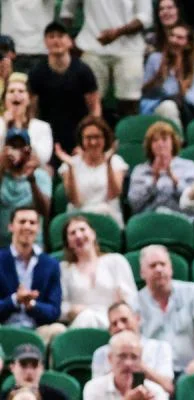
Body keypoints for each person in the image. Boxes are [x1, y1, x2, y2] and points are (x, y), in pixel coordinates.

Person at [60, 0, 153, 117]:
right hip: (92, 48)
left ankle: (126, 134)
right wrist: (66, 38)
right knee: (90, 102)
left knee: (130, 101)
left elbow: (145, 17)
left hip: (129, 50)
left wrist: (118, 32)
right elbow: (67, 10)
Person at [136, 245, 194, 375]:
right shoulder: (135, 302)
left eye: (163, 264)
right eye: (152, 266)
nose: (159, 269)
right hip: (153, 371)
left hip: (191, 366)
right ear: (142, 273)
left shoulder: (193, 291)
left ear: (171, 268)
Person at [29, 21, 101, 159]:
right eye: (51, 36)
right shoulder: (37, 73)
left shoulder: (83, 71)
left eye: (60, 36)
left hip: (78, 135)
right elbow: (33, 111)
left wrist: (89, 137)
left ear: (69, 41)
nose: (56, 40)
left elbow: (94, 107)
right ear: (45, 42)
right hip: (48, 134)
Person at [0, 206, 65, 344]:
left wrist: (32, 304)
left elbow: (54, 311)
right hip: (3, 329)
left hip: (38, 331)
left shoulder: (50, 264)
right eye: (22, 222)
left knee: (58, 330)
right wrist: (15, 300)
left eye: (32, 222)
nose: (27, 226)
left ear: (39, 229)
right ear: (11, 227)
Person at [59, 215, 138, 329]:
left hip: (115, 323)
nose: (79, 235)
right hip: (82, 323)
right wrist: (73, 310)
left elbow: (131, 299)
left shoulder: (115, 261)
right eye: (72, 233)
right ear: (68, 243)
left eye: (82, 229)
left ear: (93, 234)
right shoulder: (64, 269)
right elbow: (60, 307)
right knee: (88, 317)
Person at [55, 116, 128, 228]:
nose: (93, 142)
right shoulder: (70, 164)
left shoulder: (116, 161)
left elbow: (113, 195)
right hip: (79, 219)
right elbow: (75, 201)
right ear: (82, 140)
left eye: (97, 137)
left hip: (108, 219)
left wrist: (108, 164)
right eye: (88, 138)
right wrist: (71, 167)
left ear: (105, 139)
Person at [91, 301, 175, 395]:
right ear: (110, 330)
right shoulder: (101, 353)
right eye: (114, 324)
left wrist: (137, 364)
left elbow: (168, 387)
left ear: (137, 319)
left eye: (124, 320)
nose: (120, 327)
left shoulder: (160, 347)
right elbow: (96, 390)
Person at [127, 122, 194, 219]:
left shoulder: (188, 166)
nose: (160, 144)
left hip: (180, 220)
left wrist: (174, 180)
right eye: (155, 140)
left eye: (164, 139)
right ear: (150, 145)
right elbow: (134, 204)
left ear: (173, 142)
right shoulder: (140, 170)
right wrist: (154, 180)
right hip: (148, 220)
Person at [141, 22, 194, 127]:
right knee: (168, 106)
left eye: (179, 38)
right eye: (172, 36)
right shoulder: (154, 59)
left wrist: (180, 80)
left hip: (182, 114)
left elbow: (193, 101)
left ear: (188, 45)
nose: (174, 40)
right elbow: (144, 92)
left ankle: (176, 141)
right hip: (154, 107)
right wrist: (158, 76)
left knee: (170, 106)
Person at [83, 331, 169, 400]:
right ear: (110, 358)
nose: (128, 363)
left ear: (141, 361)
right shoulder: (94, 388)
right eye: (122, 356)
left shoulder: (155, 391)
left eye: (134, 357)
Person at [0, 131, 51, 247]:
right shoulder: (1, 175)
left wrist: (31, 179)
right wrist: (1, 167)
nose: (16, 151)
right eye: (12, 146)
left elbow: (45, 211)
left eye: (20, 147)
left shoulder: (40, 176)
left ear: (28, 150)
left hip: (32, 244)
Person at [0, 73, 53, 166]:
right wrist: (4, 127)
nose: (16, 94)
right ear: (4, 99)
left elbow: (43, 158)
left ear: (29, 99)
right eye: (11, 91)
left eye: (21, 91)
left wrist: (21, 128)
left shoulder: (42, 127)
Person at [0, 344, 67, 400]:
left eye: (35, 365)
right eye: (23, 365)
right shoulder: (3, 397)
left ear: (42, 368)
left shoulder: (57, 397)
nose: (29, 372)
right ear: (12, 368)